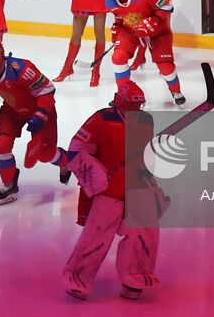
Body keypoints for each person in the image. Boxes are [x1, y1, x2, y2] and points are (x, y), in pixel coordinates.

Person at [64, 80, 163, 302]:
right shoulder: (101, 119)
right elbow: (76, 148)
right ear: (119, 102)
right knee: (96, 237)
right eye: (131, 107)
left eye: (138, 107)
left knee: (143, 234)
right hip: (108, 189)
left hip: (137, 188)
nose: (136, 112)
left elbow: (147, 159)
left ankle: (134, 278)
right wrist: (92, 173)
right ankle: (78, 279)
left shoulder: (146, 120)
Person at [0, 37, 70, 206]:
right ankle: (10, 185)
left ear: (3, 53)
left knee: (45, 155)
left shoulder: (21, 68)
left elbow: (48, 90)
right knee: (1, 146)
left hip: (40, 109)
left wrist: (41, 114)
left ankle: (67, 161)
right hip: (12, 109)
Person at [104, 0, 184, 106]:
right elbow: (119, 15)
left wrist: (151, 22)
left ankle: (176, 91)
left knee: (166, 68)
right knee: (118, 57)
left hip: (158, 31)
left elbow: (168, 6)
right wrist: (117, 27)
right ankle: (124, 95)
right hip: (131, 30)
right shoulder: (109, 0)